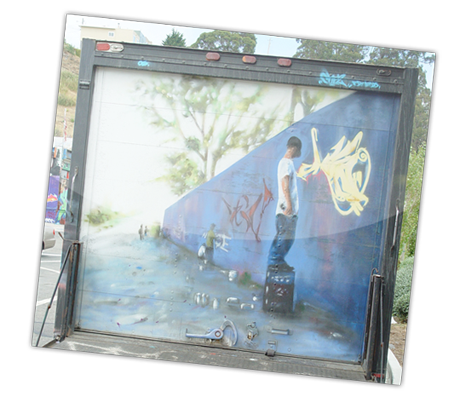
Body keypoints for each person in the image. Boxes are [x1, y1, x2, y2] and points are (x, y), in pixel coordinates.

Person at [267, 136, 302, 272]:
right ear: (294, 148)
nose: (299, 153)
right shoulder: (285, 163)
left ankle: (278, 261)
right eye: (298, 150)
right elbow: (285, 183)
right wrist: (289, 204)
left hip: (289, 211)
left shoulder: (288, 163)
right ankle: (275, 261)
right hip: (286, 210)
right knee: (284, 237)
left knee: (287, 238)